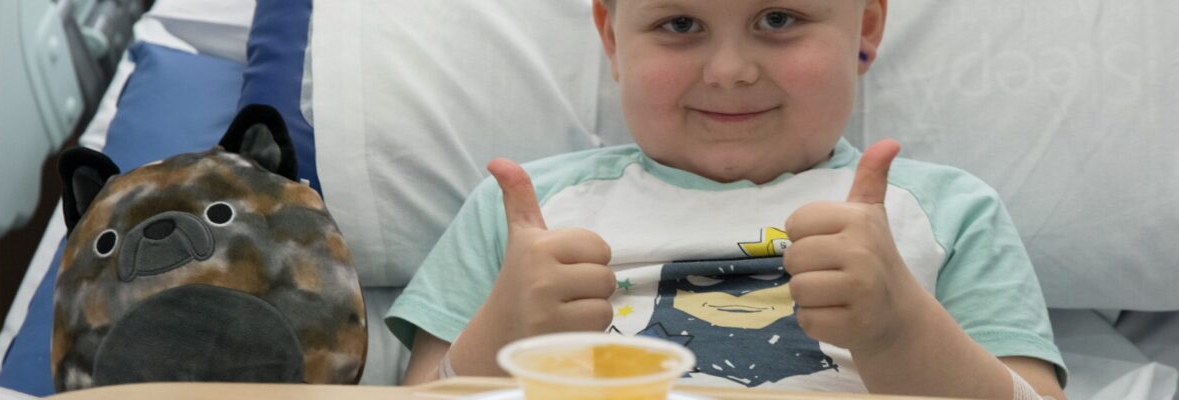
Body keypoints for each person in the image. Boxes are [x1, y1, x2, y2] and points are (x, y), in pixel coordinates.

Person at [386, 0, 1067, 397]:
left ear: (864, 27)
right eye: (681, 25)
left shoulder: (948, 213)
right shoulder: (527, 215)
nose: (730, 72)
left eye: (777, 17)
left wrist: (900, 331)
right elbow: (426, 391)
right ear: (611, 37)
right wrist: (502, 332)